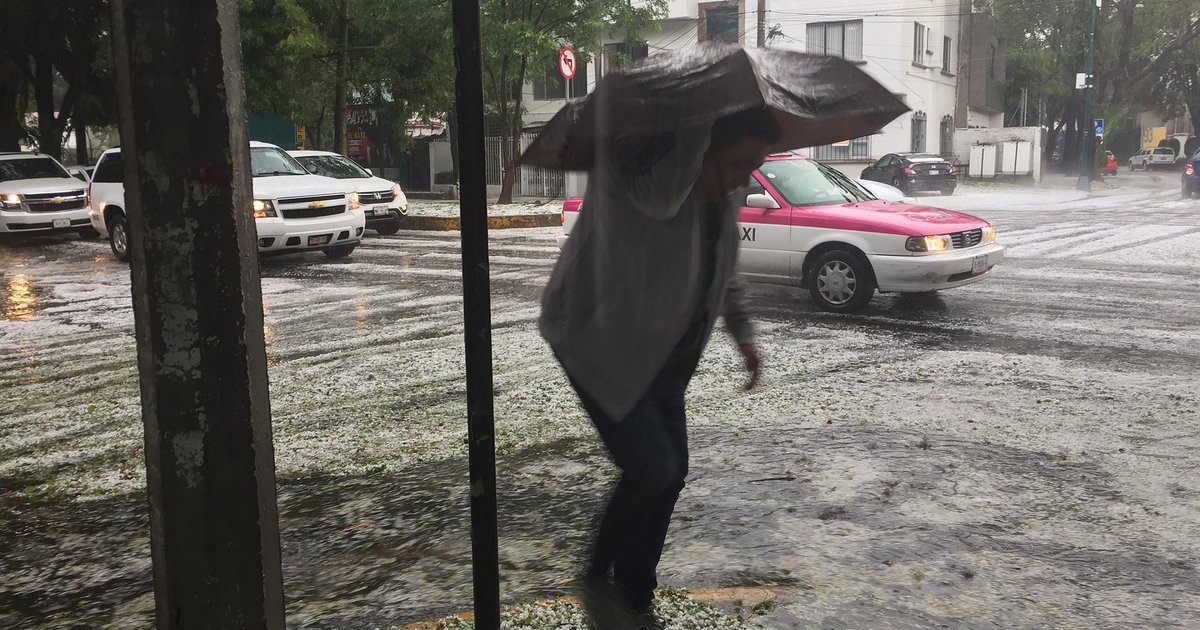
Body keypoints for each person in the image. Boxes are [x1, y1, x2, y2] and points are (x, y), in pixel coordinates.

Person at [539, 106, 780, 629]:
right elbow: (656, 191)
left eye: (756, 166)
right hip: (597, 343)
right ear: (699, 154)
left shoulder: (726, 197)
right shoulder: (639, 191)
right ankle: (619, 587)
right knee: (654, 469)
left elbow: (724, 269)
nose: (747, 178)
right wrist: (696, 126)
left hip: (666, 357)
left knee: (667, 474)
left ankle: (616, 579)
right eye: (740, 162)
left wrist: (743, 336)